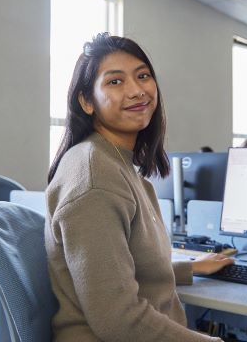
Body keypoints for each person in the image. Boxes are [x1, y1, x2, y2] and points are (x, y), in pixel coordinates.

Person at [45, 33, 233, 341]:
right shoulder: (96, 178)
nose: (137, 91)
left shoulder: (115, 164)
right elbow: (118, 320)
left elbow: (122, 271)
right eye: (115, 82)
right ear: (87, 101)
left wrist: (189, 268)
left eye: (143, 76)